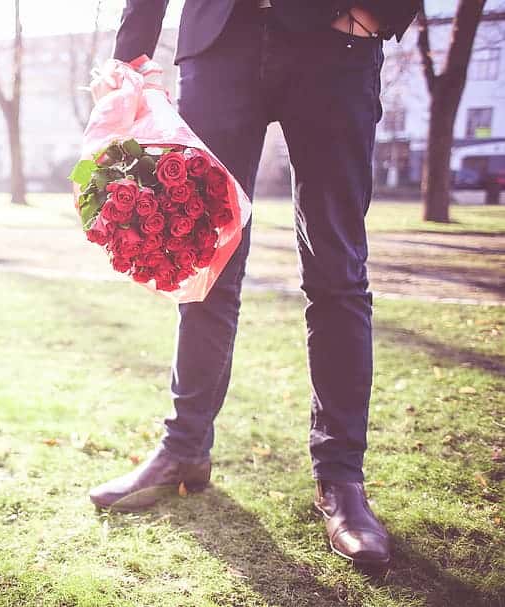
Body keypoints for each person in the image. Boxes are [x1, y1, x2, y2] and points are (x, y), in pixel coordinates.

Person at [88, 0, 420, 568]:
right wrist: (130, 54)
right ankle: (184, 450)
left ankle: (341, 479)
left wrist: (379, 12)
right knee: (207, 262)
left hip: (335, 34)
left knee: (337, 271)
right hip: (219, 40)